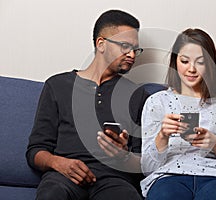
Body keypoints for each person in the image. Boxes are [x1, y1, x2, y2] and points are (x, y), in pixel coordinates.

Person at [26, 9, 148, 200]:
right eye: (125, 46)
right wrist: (58, 163)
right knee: (51, 194)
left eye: (135, 49)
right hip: (63, 177)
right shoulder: (57, 85)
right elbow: (35, 151)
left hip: (113, 180)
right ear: (101, 44)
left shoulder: (137, 95)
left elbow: (144, 162)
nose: (132, 54)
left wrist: (124, 156)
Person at [140, 28, 216, 200]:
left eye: (200, 62)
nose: (191, 69)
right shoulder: (157, 102)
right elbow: (147, 169)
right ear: (175, 61)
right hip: (168, 177)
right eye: (184, 61)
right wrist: (162, 136)